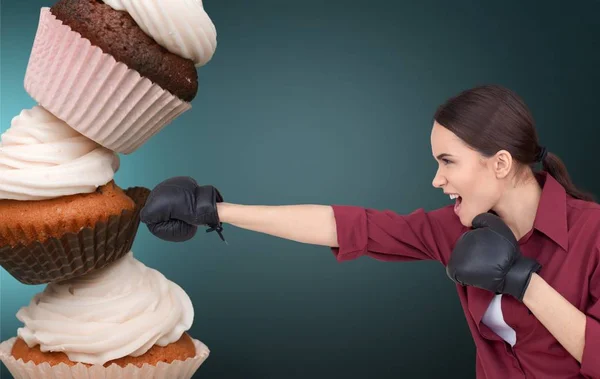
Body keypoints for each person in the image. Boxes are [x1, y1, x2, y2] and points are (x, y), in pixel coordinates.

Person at [139, 85, 600, 379]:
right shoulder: (459, 228)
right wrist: (215, 209)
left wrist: (524, 281)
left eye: (447, 162)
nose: (437, 180)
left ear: (499, 162)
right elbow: (348, 226)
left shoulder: (592, 233)